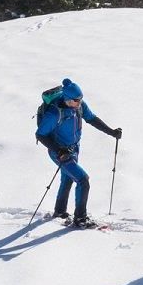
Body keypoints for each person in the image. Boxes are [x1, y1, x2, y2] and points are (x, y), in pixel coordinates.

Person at [36, 78, 121, 228]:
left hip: (74, 149)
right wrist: (58, 150)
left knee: (68, 178)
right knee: (83, 180)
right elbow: (40, 134)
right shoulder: (55, 113)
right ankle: (80, 218)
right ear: (68, 100)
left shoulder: (79, 107)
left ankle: (60, 211)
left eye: (81, 98)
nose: (80, 102)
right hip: (59, 152)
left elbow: (92, 119)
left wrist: (111, 132)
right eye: (77, 100)